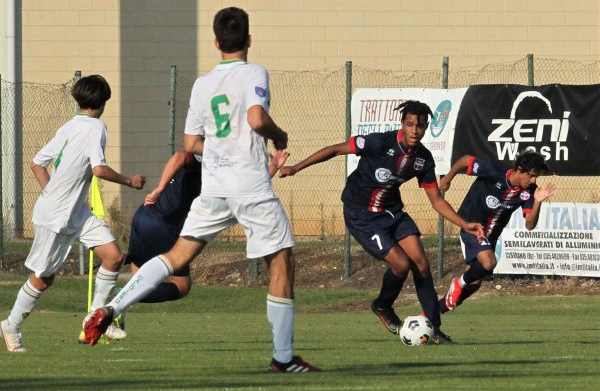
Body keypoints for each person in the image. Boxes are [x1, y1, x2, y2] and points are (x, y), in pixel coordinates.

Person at [83, 7, 320, 373]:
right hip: (250, 185)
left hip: (214, 187)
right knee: (282, 261)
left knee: (176, 257)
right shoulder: (254, 72)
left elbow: (191, 142)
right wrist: (279, 136)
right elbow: (257, 120)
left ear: (215, 43)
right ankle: (284, 358)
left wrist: (223, 149)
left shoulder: (203, 84)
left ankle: (111, 308)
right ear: (249, 40)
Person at [279, 100, 484, 344]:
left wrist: (464, 223)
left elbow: (437, 201)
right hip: (360, 213)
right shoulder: (380, 142)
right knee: (400, 264)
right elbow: (335, 149)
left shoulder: (423, 159)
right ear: (402, 124)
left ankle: (434, 327)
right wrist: (296, 168)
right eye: (410, 124)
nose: (414, 130)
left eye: (420, 125)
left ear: (426, 127)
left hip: (391, 212)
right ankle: (383, 306)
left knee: (420, 262)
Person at [0, 74, 146, 353]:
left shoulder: (68, 127)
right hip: (56, 215)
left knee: (113, 257)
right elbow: (98, 170)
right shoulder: (96, 127)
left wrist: (51, 191)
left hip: (75, 211)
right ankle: (11, 324)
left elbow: (36, 164)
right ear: (103, 102)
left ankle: (95, 318)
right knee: (44, 278)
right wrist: (130, 181)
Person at [123, 149, 289, 306]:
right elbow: (180, 156)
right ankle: (120, 297)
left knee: (138, 279)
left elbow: (249, 189)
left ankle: (112, 313)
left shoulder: (222, 169)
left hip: (142, 216)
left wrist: (273, 165)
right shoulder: (210, 160)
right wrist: (160, 189)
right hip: (163, 225)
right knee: (181, 284)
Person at [439, 152, 555, 313]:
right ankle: (458, 283)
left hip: (490, 238)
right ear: (519, 170)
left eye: (537, 177)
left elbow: (529, 225)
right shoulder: (493, 172)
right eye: (531, 176)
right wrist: (447, 178)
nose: (534, 180)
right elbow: (466, 160)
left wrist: (537, 202)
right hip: (472, 227)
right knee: (488, 263)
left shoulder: (530, 192)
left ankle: (432, 316)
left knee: (474, 284)